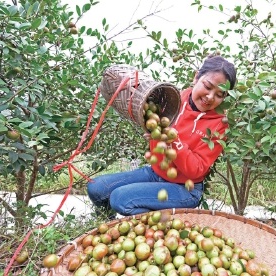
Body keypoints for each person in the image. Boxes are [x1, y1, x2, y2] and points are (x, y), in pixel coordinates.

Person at [87, 55, 237, 218]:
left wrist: (174, 140)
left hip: (185, 189)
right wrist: (151, 129)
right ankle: (109, 225)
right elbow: (156, 127)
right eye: (208, 86)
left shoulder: (220, 124)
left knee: (120, 200)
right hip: (155, 173)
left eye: (219, 94)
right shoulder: (176, 98)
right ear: (196, 77)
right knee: (96, 188)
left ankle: (168, 225)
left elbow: (197, 170)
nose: (210, 97)